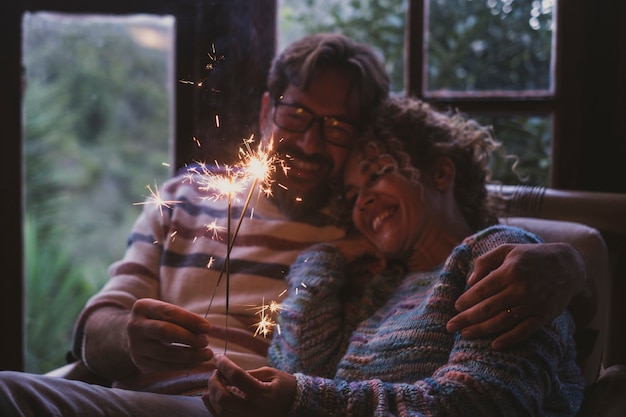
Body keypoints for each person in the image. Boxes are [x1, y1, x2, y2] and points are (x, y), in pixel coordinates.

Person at [0, 33, 589, 417]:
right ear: (265, 110)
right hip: (123, 391)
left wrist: (571, 265)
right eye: (298, 113)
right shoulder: (183, 196)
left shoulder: (365, 242)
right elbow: (98, 321)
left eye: (337, 129)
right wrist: (126, 334)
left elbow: (470, 230)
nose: (309, 141)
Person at [202, 96, 586, 417]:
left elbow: (488, 400)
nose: (363, 200)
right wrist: (322, 260)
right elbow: (293, 369)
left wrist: (304, 399)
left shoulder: (497, 255)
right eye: (352, 196)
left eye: (378, 173)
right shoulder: (374, 290)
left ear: (440, 173)